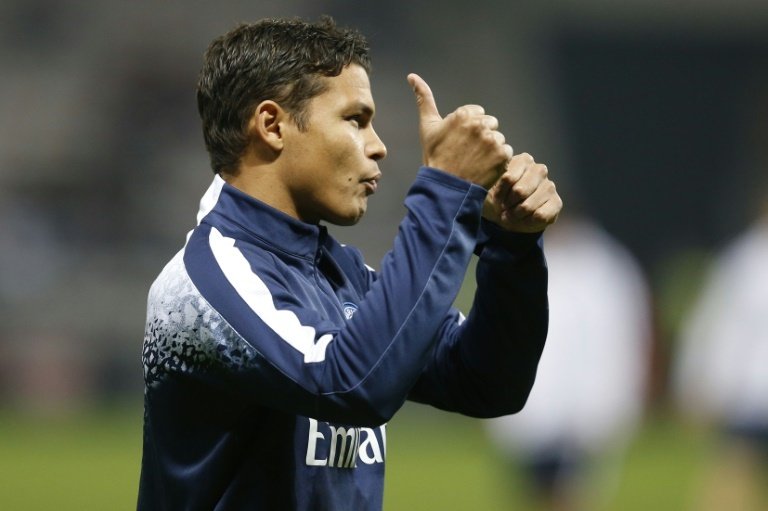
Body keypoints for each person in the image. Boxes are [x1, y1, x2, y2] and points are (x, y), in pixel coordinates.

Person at [138, 16, 562, 511]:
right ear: (272, 125)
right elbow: (351, 385)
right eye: (356, 119)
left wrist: (510, 246)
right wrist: (446, 193)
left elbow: (488, 383)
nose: (378, 145)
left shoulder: (338, 275)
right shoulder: (201, 285)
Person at [485, 212, 652, 511]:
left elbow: (621, 338)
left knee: (571, 493)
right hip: (534, 409)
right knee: (537, 492)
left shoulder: (603, 269)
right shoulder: (533, 262)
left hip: (582, 409)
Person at [673, 206, 768, 511]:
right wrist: (702, 383)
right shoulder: (744, 261)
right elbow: (716, 328)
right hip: (751, 394)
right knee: (732, 480)